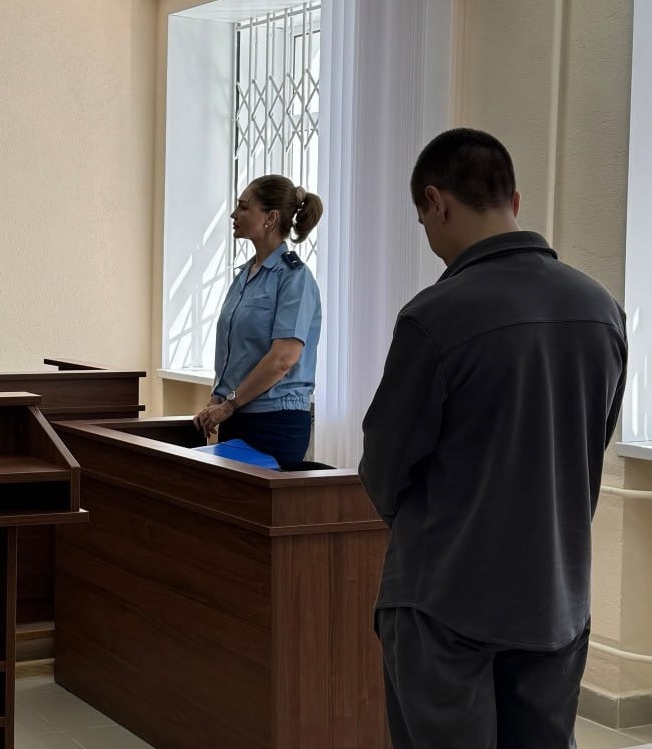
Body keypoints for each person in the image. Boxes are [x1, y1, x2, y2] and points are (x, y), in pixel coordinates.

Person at [360, 128, 627, 748]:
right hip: (554, 595)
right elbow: (588, 447)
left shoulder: (435, 315)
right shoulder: (602, 310)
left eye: (422, 221)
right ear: (515, 200)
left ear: (435, 202)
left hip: (445, 599)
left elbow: (384, 468)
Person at [192, 174, 324, 468]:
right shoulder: (244, 275)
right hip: (236, 415)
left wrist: (230, 402)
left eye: (243, 207)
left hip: (275, 421)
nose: (233, 214)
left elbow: (283, 359)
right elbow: (236, 350)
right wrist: (217, 398)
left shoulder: (295, 278)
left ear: (270, 218)